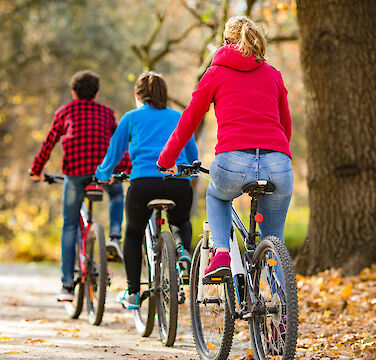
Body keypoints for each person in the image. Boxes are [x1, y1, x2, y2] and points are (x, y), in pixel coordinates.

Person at [158, 16, 293, 279]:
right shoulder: (273, 74)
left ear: (226, 42)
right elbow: (285, 123)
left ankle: (221, 253)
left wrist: (166, 159)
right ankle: (282, 307)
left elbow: (189, 120)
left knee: (217, 195)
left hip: (232, 162)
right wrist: (280, 157)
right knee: (275, 240)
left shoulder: (215, 73)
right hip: (278, 162)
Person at [95, 71, 198, 309]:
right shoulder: (178, 117)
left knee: (133, 234)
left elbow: (113, 155)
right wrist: (189, 174)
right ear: (165, 94)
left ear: (137, 96)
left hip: (142, 185)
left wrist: (102, 176)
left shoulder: (130, 118)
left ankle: (132, 292)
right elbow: (192, 159)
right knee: (181, 220)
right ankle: (183, 253)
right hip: (177, 185)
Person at [29, 70, 131, 301]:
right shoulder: (106, 112)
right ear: (96, 94)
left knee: (69, 225)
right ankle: (115, 235)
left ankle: (66, 285)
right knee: (116, 195)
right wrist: (123, 168)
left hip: (75, 173)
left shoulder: (64, 111)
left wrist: (37, 170)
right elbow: (117, 144)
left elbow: (48, 143)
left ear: (73, 92)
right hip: (103, 172)